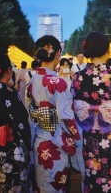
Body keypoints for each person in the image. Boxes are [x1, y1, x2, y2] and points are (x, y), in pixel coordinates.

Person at [73, 31, 111, 192]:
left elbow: (76, 105)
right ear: (108, 50)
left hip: (90, 137)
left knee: (94, 179)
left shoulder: (78, 77)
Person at [28, 35, 80, 193]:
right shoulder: (59, 83)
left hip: (39, 139)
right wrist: (76, 136)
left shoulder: (33, 80)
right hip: (56, 142)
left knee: (41, 186)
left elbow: (32, 109)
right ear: (58, 54)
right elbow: (68, 117)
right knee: (55, 187)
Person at [0, 53, 33, 192]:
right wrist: (28, 146)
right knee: (13, 186)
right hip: (10, 150)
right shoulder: (10, 96)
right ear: (9, 71)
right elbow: (22, 124)